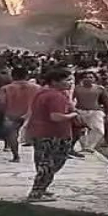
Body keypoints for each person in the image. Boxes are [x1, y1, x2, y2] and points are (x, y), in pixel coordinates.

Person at [24, 69, 83, 202]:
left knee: (45, 162)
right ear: (55, 81)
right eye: (67, 80)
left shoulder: (42, 93)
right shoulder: (56, 96)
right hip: (53, 134)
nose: (70, 83)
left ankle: (42, 187)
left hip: (41, 132)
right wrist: (73, 115)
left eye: (71, 80)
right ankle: (36, 192)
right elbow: (56, 117)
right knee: (50, 164)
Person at [0, 67, 41, 162]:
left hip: (12, 114)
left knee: (12, 135)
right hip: (32, 114)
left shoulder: (6, 88)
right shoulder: (37, 88)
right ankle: (39, 155)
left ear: (13, 76)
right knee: (37, 136)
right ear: (27, 75)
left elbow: (0, 103)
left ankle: (16, 156)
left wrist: (3, 112)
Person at [73, 71, 108, 153]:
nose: (88, 79)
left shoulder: (99, 89)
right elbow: (71, 100)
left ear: (95, 79)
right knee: (80, 130)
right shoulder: (77, 88)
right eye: (86, 77)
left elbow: (107, 102)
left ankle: (90, 146)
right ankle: (84, 146)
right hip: (80, 111)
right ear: (82, 79)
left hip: (95, 112)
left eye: (91, 77)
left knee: (99, 130)